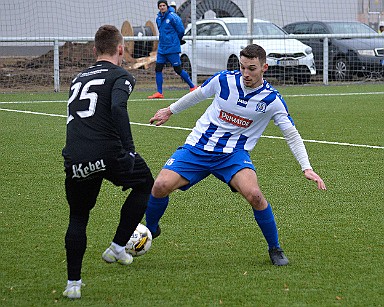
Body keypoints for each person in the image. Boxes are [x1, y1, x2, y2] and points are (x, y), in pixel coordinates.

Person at [145, 44, 327, 266]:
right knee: (160, 186)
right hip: (198, 147)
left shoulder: (272, 100)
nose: (246, 73)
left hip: (232, 155)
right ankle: (151, 230)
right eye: (242, 67)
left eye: (251, 68)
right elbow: (197, 95)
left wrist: (306, 167)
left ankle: (275, 248)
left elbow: (291, 134)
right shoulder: (223, 80)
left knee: (255, 196)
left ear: (264, 68)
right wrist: (169, 110)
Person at [62, 24, 154, 299]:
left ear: (94, 51)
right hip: (110, 152)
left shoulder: (77, 79)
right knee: (146, 184)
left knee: (78, 217)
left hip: (76, 156)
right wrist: (129, 149)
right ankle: (117, 246)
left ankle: (73, 285)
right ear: (121, 49)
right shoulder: (120, 75)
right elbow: (116, 107)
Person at [148, 0, 197, 99]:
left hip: (172, 48)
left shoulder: (173, 17)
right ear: (158, 7)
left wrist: (176, 40)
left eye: (163, 5)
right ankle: (159, 93)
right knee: (158, 69)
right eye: (160, 6)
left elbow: (181, 30)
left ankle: (192, 86)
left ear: (167, 6)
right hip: (162, 49)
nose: (162, 7)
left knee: (178, 69)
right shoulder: (158, 18)